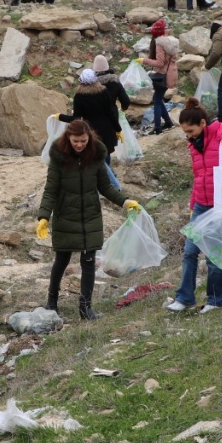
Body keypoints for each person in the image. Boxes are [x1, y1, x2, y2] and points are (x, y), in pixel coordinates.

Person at [36, 119, 140, 319]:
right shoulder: (59, 156)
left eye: (83, 140)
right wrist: (43, 217)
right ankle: (51, 303)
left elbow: (106, 186)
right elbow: (51, 189)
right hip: (65, 215)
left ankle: (86, 309)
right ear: (69, 138)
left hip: (90, 215)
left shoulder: (96, 154)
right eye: (75, 141)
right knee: (62, 259)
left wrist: (125, 202)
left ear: (88, 138)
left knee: (89, 262)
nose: (79, 144)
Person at [166, 99, 222, 313]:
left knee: (214, 254)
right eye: (185, 132)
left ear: (203, 123)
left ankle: (216, 299)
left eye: (191, 130)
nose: (188, 135)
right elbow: (199, 177)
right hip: (202, 205)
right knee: (189, 251)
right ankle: (185, 298)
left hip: (221, 204)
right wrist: (193, 204)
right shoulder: (194, 144)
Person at [60, 69, 126, 191]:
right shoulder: (103, 91)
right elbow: (111, 113)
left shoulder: (79, 96)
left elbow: (76, 118)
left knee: (97, 160)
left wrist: (60, 117)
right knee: (104, 155)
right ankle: (108, 182)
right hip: (107, 129)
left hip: (92, 132)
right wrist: (118, 129)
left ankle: (112, 185)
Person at [142, 20, 180, 134]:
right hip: (171, 73)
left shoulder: (159, 42)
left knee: (157, 101)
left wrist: (144, 60)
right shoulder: (170, 41)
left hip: (162, 75)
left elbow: (160, 62)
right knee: (157, 99)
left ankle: (157, 127)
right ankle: (168, 122)